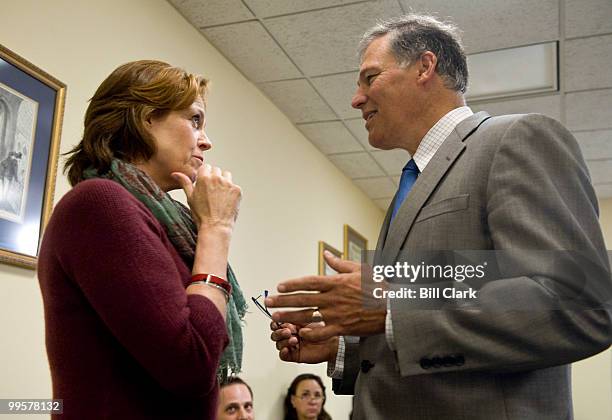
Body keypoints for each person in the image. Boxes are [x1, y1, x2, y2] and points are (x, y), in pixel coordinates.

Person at [266, 14, 612, 420]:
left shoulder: (516, 139)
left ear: (425, 67)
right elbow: (446, 304)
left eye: (369, 78)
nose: (356, 99)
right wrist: (344, 347)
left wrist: (391, 306)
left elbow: (579, 303)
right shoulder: (408, 185)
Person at [37, 60, 246, 419]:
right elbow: (191, 364)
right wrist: (217, 228)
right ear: (144, 118)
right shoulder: (100, 204)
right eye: (195, 120)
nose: (206, 141)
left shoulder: (157, 217)